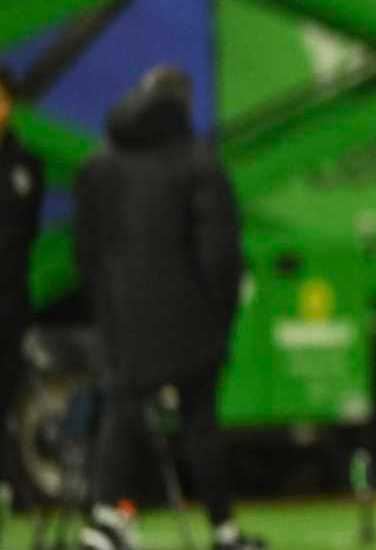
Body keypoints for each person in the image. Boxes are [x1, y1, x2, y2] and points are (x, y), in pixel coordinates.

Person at [74, 66, 262, 550]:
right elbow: (219, 254)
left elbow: (86, 252)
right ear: (183, 103)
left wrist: (111, 306)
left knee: (123, 411)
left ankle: (106, 518)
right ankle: (223, 530)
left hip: (126, 319)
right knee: (200, 423)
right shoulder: (199, 163)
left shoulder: (102, 165)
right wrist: (219, 318)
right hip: (192, 321)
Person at [0, 67, 44, 510]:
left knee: (10, 395)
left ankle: (15, 484)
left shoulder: (26, 163)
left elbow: (25, 233)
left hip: (10, 303)